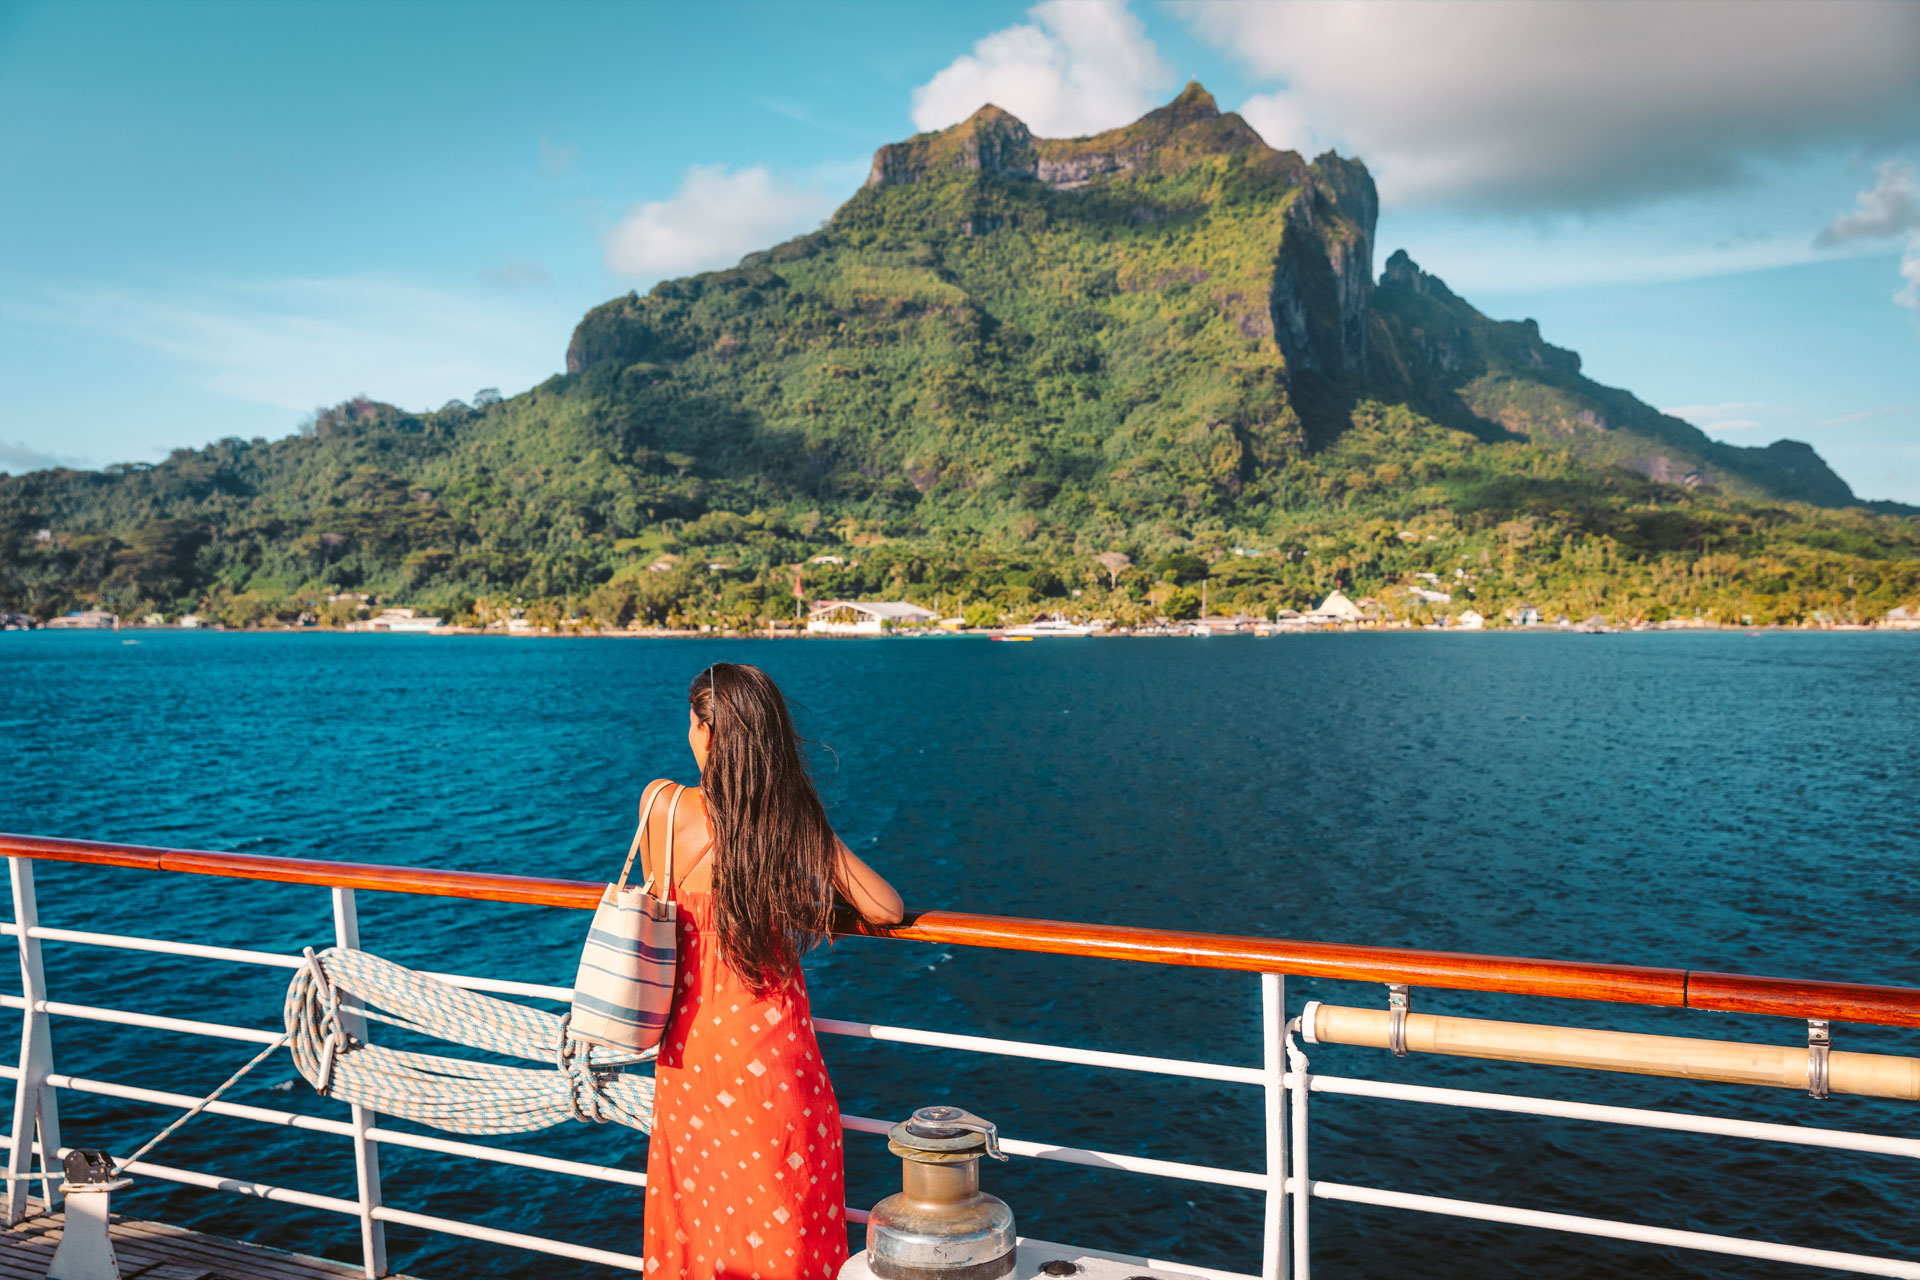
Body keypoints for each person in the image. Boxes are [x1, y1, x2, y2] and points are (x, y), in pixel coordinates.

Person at [637, 662, 904, 1278]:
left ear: (707, 734)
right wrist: (804, 824)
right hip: (770, 1058)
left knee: (701, 1217)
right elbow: (885, 907)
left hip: (688, 1054)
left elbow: (661, 897)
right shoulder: (783, 823)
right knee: (780, 1216)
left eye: (692, 724)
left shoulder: (660, 806)